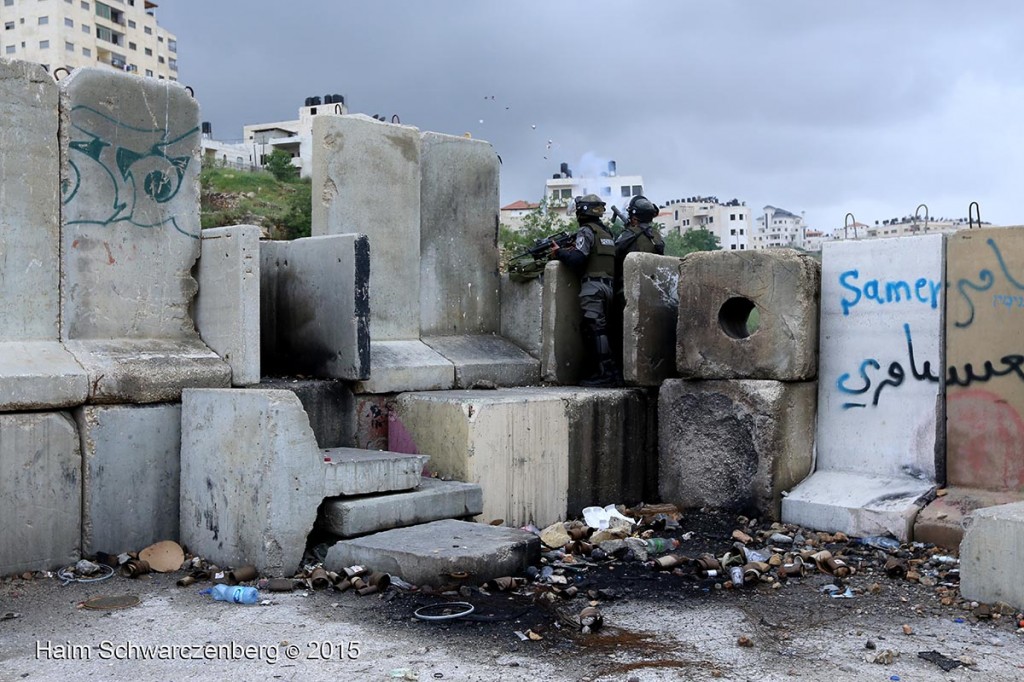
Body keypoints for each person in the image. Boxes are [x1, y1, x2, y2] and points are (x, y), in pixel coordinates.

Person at [551, 194, 621, 387]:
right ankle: (604, 371)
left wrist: (559, 252)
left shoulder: (586, 231)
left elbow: (577, 260)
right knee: (600, 329)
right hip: (608, 286)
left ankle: (607, 374)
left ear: (582, 212)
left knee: (595, 330)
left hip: (592, 288)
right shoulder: (606, 233)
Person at [609, 195, 666, 363]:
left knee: (618, 330)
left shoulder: (630, 234)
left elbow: (614, 252)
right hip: (650, 292)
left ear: (634, 218)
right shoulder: (656, 236)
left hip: (625, 291)